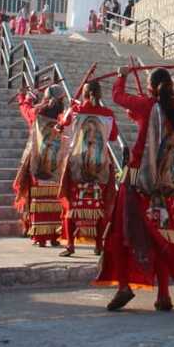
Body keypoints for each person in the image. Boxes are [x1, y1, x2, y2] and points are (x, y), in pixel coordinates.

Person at [94, 67, 174, 312]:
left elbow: (117, 96)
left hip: (138, 178)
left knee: (121, 232)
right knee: (159, 233)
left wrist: (121, 75)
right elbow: (151, 127)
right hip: (165, 182)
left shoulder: (149, 106)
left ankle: (124, 286)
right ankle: (163, 295)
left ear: (151, 86)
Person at [56, 79, 119, 257]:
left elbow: (61, 126)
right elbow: (113, 137)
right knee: (99, 207)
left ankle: (70, 245)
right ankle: (98, 245)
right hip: (101, 165)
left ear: (83, 94)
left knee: (72, 206)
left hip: (77, 164)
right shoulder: (108, 114)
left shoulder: (75, 111)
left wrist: (69, 109)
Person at [12, 85, 67, 247]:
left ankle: (39, 236)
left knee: (36, 198)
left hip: (38, 160)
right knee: (54, 199)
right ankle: (54, 235)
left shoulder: (39, 113)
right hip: (56, 162)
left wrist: (25, 98)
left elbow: (26, 111)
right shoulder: (64, 116)